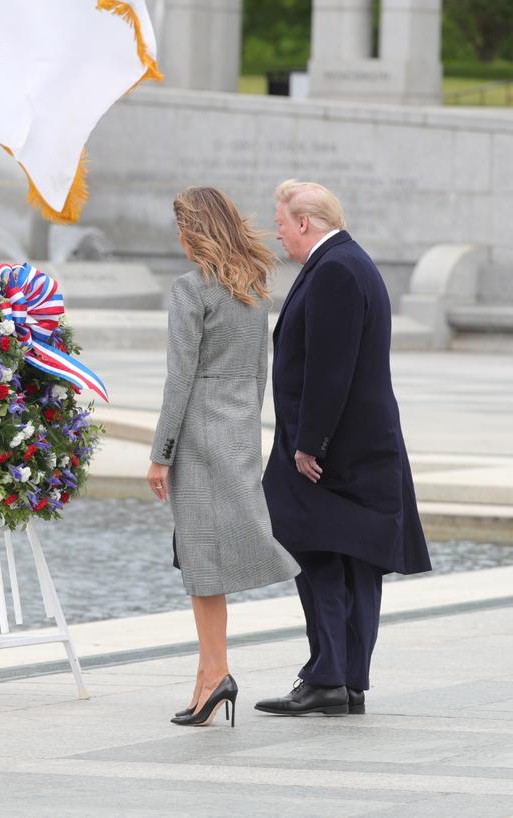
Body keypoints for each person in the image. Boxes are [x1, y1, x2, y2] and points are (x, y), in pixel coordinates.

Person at [255, 180, 431, 717]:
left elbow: (331, 368)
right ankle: (347, 679)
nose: (279, 233)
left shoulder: (333, 269)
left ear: (304, 222)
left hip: (331, 455)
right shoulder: (354, 261)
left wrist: (310, 444)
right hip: (360, 449)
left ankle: (329, 675)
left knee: (316, 550)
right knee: (354, 561)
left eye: (282, 222)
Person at [148, 186, 300, 728]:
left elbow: (178, 378)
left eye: (181, 229)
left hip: (196, 439)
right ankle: (209, 674)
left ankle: (215, 677)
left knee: (202, 562)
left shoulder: (190, 290)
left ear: (195, 230)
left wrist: (161, 454)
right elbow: (260, 375)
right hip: (236, 435)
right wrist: (243, 437)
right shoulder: (255, 290)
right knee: (203, 563)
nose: (180, 240)